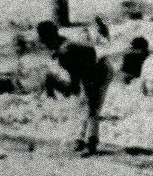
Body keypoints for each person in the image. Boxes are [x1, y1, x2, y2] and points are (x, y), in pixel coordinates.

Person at [36, 21, 109, 157]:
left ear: (48, 38)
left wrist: (61, 85)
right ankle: (80, 140)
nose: (43, 45)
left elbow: (78, 76)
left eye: (44, 41)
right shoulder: (61, 47)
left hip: (100, 69)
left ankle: (91, 143)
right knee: (82, 104)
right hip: (89, 69)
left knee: (92, 107)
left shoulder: (66, 50)